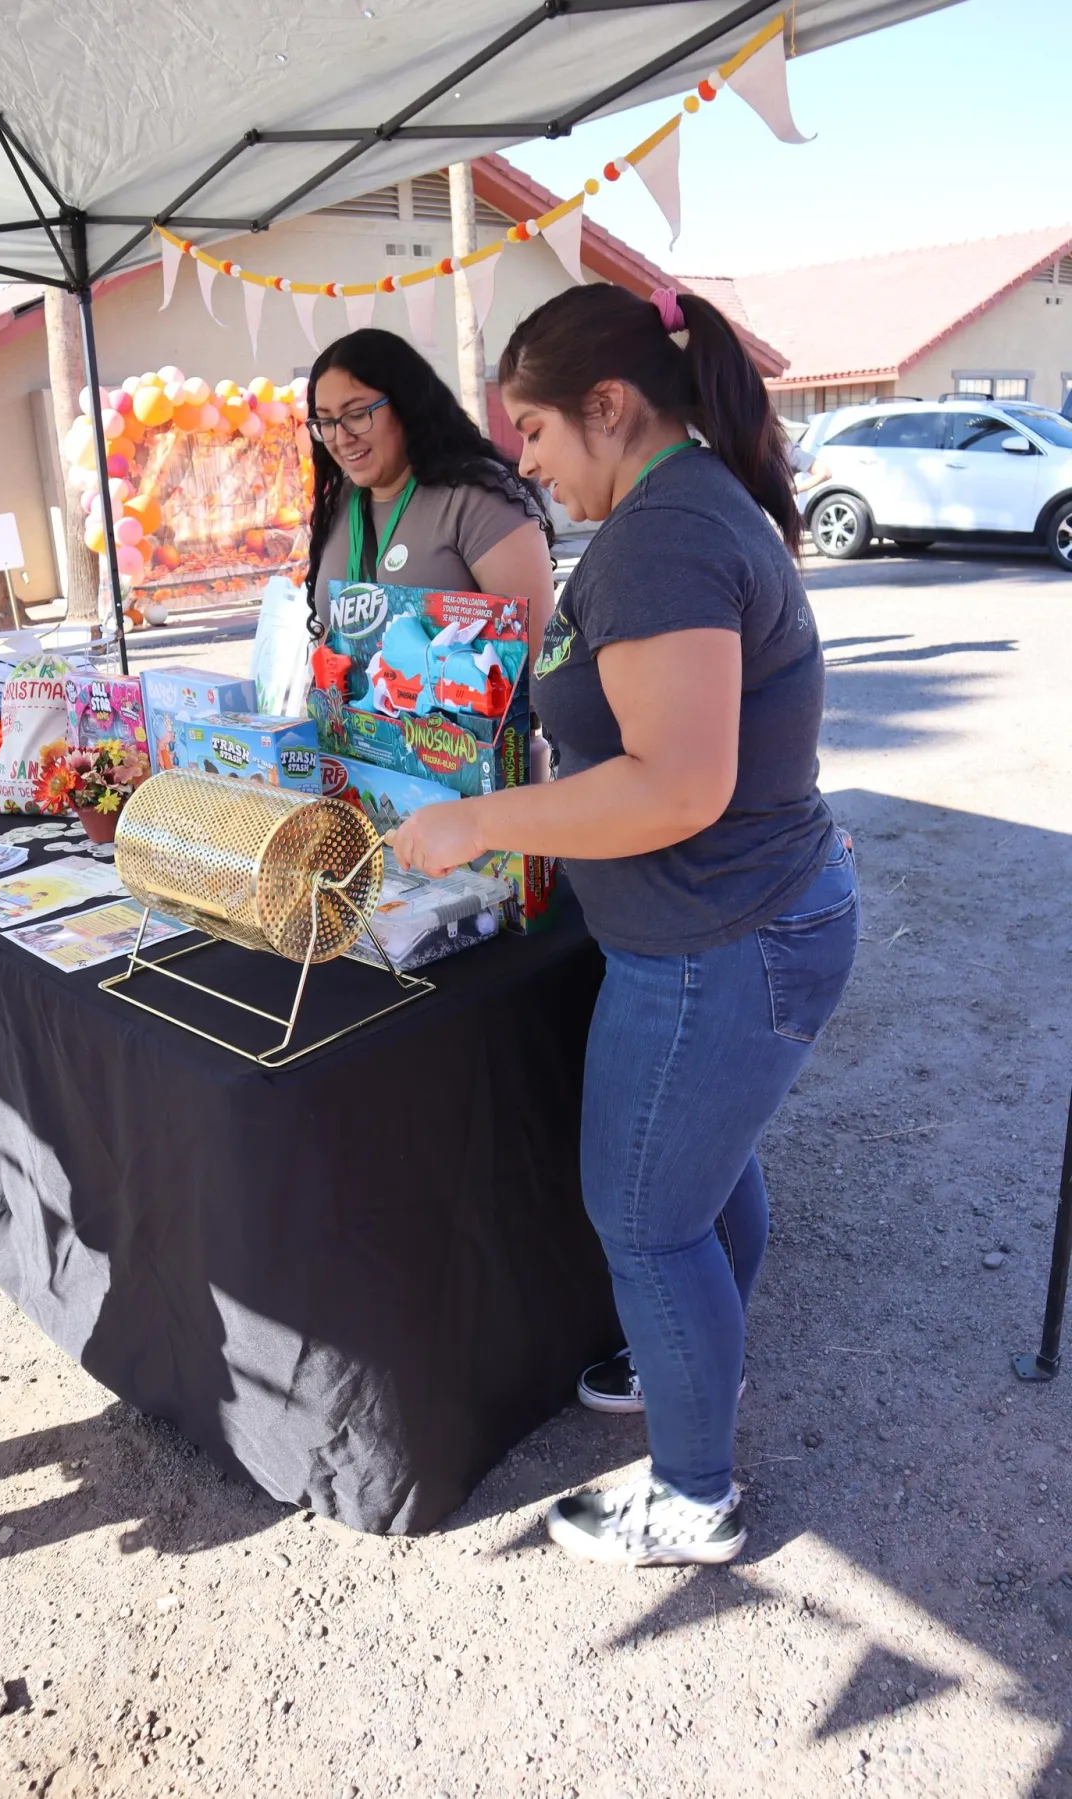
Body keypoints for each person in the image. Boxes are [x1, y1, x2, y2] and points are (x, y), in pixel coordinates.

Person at [391, 282, 859, 1569]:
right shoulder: (687, 505)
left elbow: (675, 784)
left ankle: (693, 1494)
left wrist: (484, 825)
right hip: (745, 918)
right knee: (702, 1179)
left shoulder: (665, 536)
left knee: (648, 1216)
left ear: (610, 407)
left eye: (534, 433)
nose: (524, 464)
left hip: (724, 938)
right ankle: (694, 1356)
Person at [304, 329, 555, 655]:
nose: (341, 437)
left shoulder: (476, 498)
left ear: (406, 405)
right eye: (325, 422)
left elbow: (534, 659)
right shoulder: (341, 503)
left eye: (356, 415)